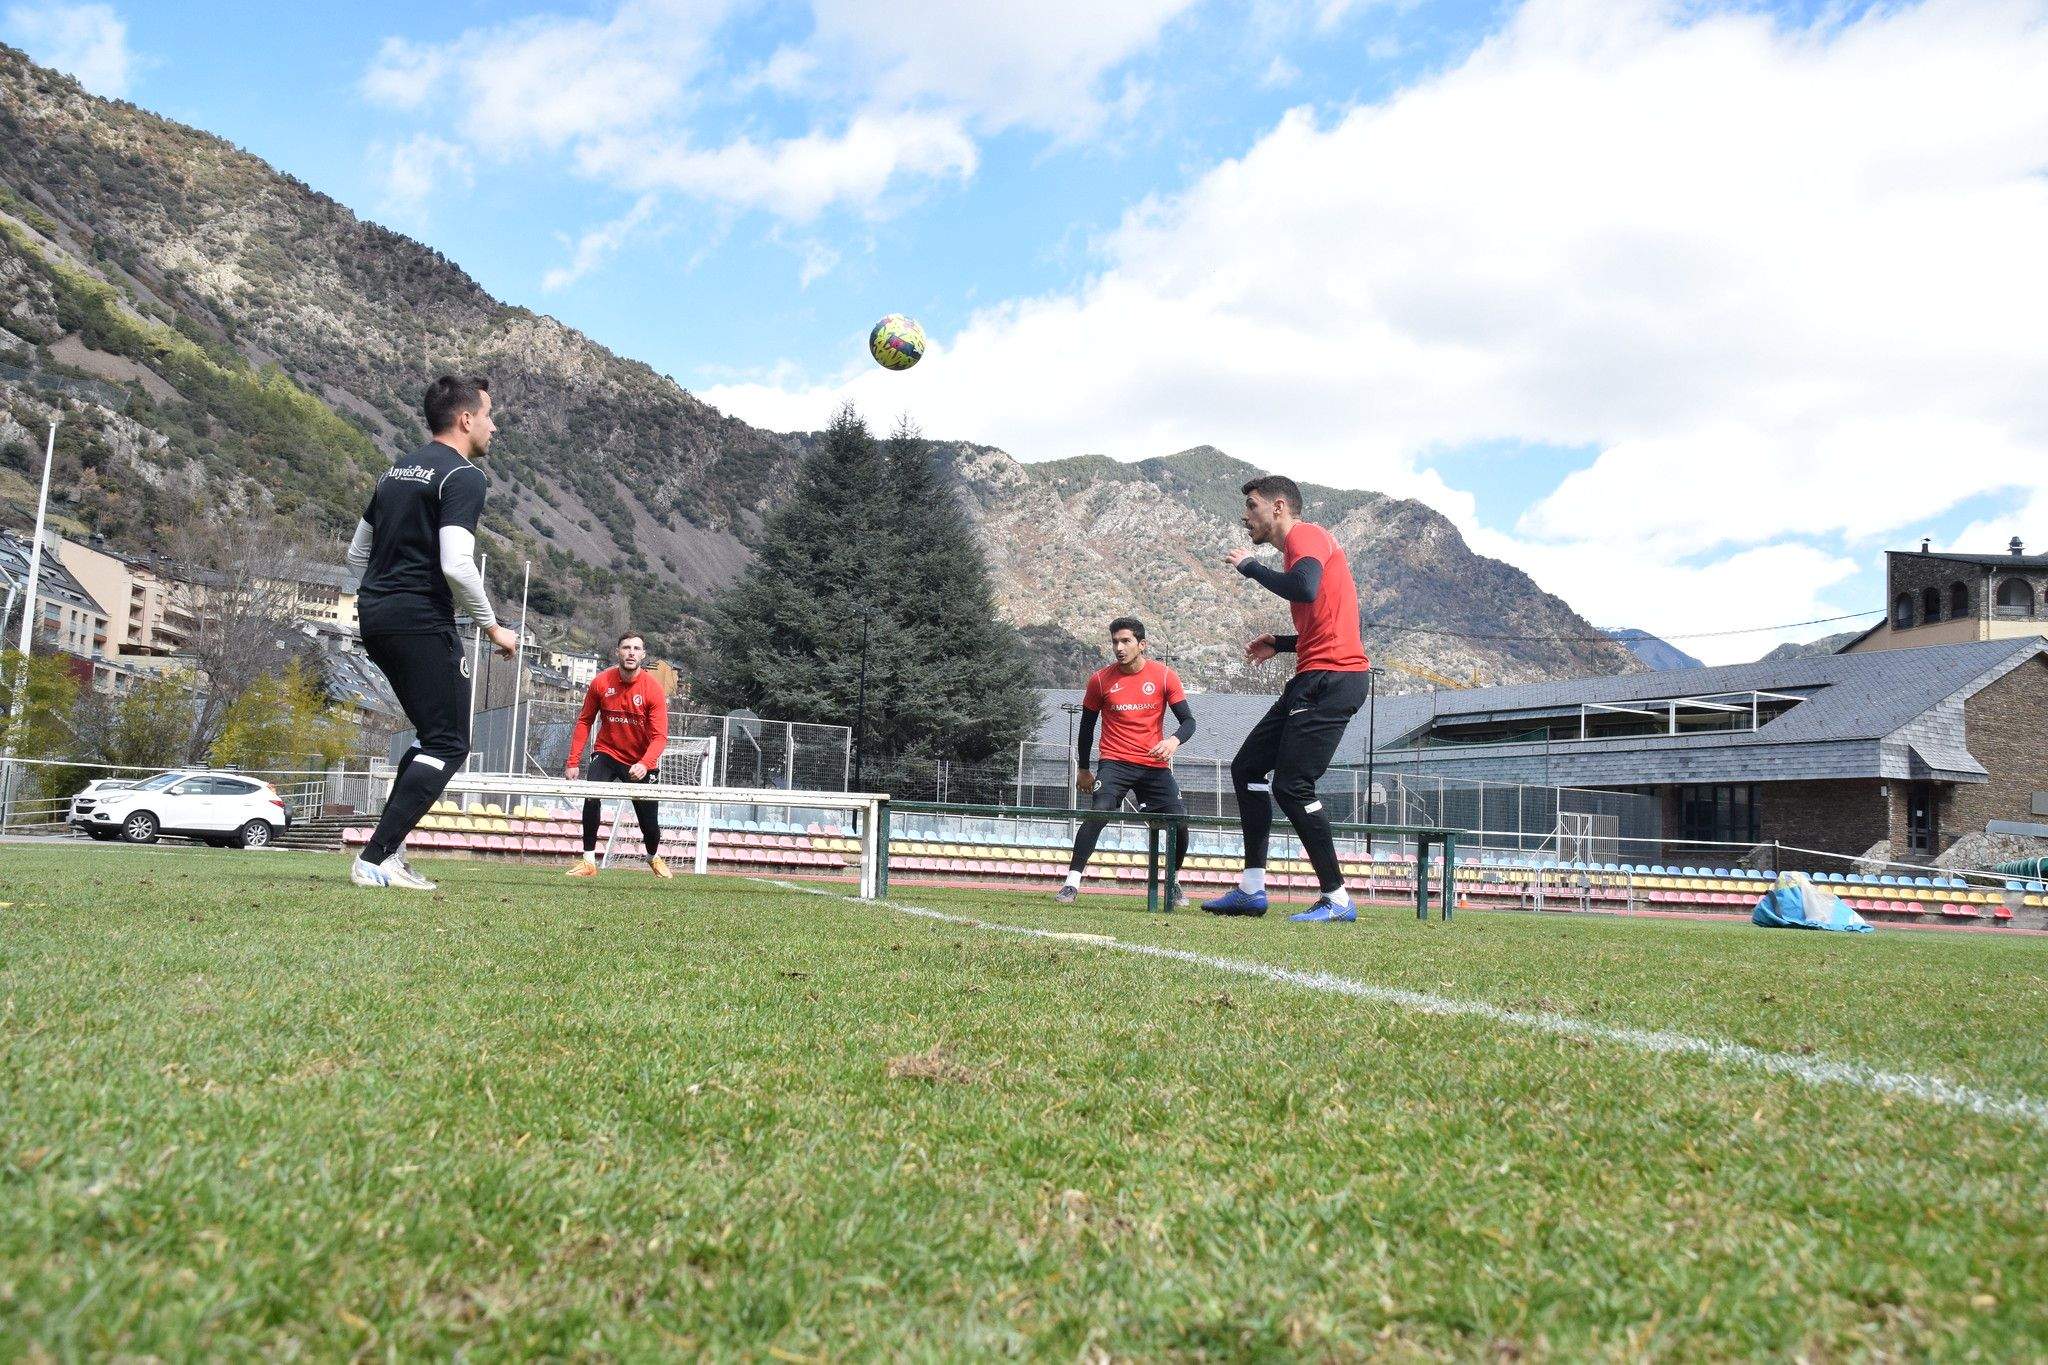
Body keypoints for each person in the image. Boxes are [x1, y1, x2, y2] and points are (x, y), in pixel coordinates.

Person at [345, 375, 518, 890]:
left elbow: (356, 555)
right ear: (466, 420)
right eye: (488, 415)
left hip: (376, 616)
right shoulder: (463, 477)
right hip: (420, 620)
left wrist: (387, 595)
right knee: (448, 741)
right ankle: (375, 858)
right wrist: (493, 627)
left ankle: (388, 853)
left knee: (431, 738)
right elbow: (457, 565)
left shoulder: (394, 472)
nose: (493, 426)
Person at [1202, 474, 1370, 923]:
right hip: (1313, 674)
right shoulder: (1302, 545)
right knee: (1248, 767)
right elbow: (1326, 623)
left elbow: (1305, 587)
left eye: (1252, 506)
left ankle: (1337, 898)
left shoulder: (1306, 536)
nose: (1245, 516)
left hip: (1333, 680)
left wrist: (1250, 567)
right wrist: (1281, 642)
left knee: (1293, 787)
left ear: (1278, 507)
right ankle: (1252, 890)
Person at [1055, 617, 1196, 909]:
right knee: (1099, 811)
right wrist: (1083, 768)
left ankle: (1173, 882)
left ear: (1141, 645)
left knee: (1179, 821)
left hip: (1154, 766)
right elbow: (1086, 728)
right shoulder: (1099, 680)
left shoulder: (1165, 676)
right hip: (1115, 762)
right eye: (1115, 642)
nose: (1119, 648)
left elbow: (1189, 721)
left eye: (1125, 641)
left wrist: (1172, 742)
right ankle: (1071, 883)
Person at [564, 632, 672, 878]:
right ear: (618, 652)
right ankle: (589, 861)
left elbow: (660, 737)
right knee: (592, 794)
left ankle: (653, 856)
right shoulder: (601, 683)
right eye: (626, 647)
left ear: (643, 655)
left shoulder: (652, 690)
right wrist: (573, 761)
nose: (631, 652)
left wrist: (645, 763)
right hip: (607, 753)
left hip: (641, 761)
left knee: (650, 824)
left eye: (636, 648)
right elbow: (584, 722)